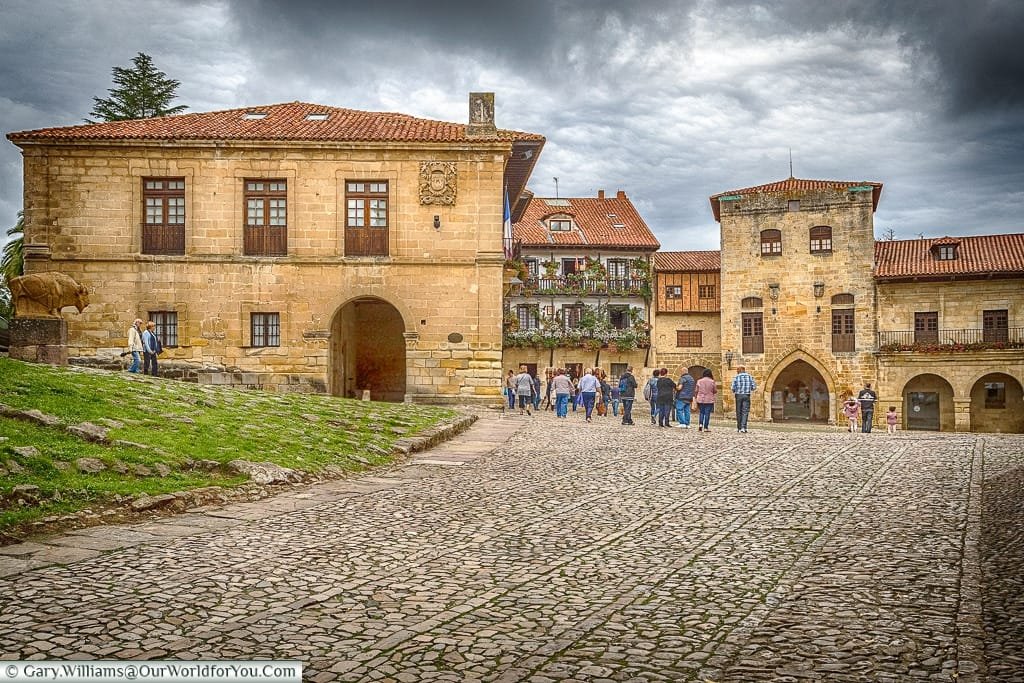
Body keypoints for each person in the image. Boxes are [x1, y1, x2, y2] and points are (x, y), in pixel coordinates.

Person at [731, 365, 757, 433]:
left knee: (738, 411)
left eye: (737, 370)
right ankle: (743, 427)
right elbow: (754, 387)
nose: (737, 371)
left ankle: (739, 428)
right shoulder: (750, 376)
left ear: (740, 370)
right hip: (746, 395)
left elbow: (733, 388)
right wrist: (748, 389)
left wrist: (735, 390)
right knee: (745, 412)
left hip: (738, 395)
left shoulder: (736, 377)